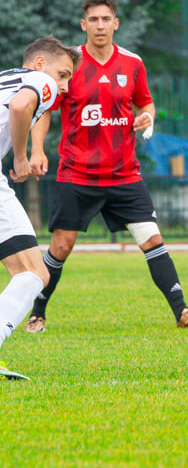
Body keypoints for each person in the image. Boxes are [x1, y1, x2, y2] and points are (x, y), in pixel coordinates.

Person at [26, 0, 188, 332]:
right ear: (84, 25)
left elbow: (147, 104)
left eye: (106, 19)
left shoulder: (132, 63)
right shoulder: (68, 64)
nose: (100, 26)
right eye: (93, 20)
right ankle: (38, 312)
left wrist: (147, 117)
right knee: (61, 246)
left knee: (152, 239)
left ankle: (183, 313)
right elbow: (43, 111)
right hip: (77, 173)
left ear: (116, 24)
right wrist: (37, 151)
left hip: (124, 173)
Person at [0, 37, 78, 379]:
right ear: (40, 63)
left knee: (27, 269)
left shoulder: (6, 76)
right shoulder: (40, 80)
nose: (63, 87)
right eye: (63, 75)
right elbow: (20, 108)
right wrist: (20, 156)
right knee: (34, 273)